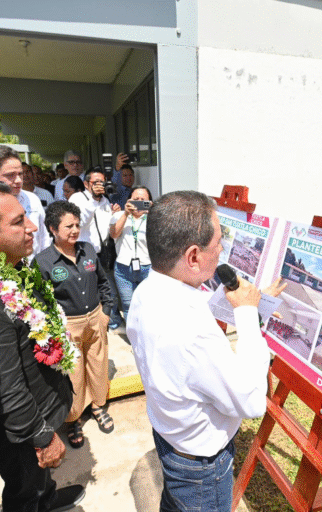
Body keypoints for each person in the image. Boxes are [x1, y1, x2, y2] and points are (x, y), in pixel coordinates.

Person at [127, 191, 268, 512]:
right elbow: (251, 401)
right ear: (193, 256)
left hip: (170, 440)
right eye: (218, 243)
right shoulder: (191, 330)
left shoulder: (147, 291)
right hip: (200, 468)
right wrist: (247, 315)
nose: (222, 250)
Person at [0, 182, 84, 512]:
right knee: (26, 491)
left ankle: (49, 499)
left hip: (43, 403)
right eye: (19, 221)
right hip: (20, 430)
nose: (33, 227)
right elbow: (3, 387)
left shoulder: (12, 266)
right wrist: (41, 435)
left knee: (41, 483)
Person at [35, 201, 115, 450]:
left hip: (95, 318)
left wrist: (107, 313)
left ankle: (99, 406)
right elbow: (40, 301)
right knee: (73, 375)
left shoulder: (88, 250)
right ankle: (73, 420)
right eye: (68, 226)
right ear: (52, 228)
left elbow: (103, 282)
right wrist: (56, 329)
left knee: (98, 366)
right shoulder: (43, 262)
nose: (74, 230)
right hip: (68, 326)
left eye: (77, 225)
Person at [69, 168, 122, 329]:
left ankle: (112, 322)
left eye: (102, 182)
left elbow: (107, 227)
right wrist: (92, 200)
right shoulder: (77, 198)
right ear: (86, 184)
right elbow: (80, 222)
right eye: (96, 182)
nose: (100, 185)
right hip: (84, 254)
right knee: (89, 292)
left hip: (104, 252)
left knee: (109, 291)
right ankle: (91, 324)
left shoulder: (104, 200)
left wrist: (114, 214)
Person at [0, 145, 50, 255]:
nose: (18, 180)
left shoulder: (32, 199)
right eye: (10, 175)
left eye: (20, 174)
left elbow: (44, 238)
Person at [109, 186, 153, 322]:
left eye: (143, 200)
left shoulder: (153, 218)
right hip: (123, 269)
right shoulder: (118, 215)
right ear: (129, 200)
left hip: (147, 267)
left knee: (148, 305)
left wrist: (153, 212)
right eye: (136, 199)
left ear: (149, 201)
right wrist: (125, 214)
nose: (139, 202)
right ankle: (133, 339)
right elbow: (114, 234)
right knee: (128, 305)